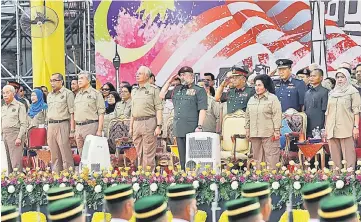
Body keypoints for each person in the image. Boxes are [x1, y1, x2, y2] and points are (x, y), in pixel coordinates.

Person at [159, 66, 207, 170]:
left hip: (192, 127)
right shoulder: (177, 89)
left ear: (192, 76)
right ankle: (184, 174)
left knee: (193, 156)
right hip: (179, 127)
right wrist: (169, 82)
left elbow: (202, 109)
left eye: (185, 75)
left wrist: (199, 126)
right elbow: (161, 95)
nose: (183, 77)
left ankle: (194, 176)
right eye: (181, 75)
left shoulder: (199, 90)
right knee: (182, 157)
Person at [325, 68, 361, 169]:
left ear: (347, 78)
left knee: (348, 154)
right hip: (332, 127)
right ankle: (336, 178)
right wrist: (326, 127)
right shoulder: (332, 93)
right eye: (337, 77)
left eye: (342, 77)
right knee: (334, 155)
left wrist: (355, 127)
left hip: (346, 127)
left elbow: (356, 111)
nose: (339, 79)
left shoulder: (353, 92)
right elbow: (328, 112)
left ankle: (349, 178)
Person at [245, 74, 282, 169]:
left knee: (271, 158)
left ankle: (272, 180)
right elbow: (247, 116)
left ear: (265, 86)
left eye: (259, 85)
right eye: (255, 85)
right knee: (257, 159)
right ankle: (260, 180)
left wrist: (277, 130)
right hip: (255, 134)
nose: (256, 88)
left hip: (269, 134)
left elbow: (277, 115)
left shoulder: (273, 98)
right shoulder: (251, 99)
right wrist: (247, 129)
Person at [130, 66, 163, 170]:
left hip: (149, 122)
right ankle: (141, 175)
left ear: (147, 76)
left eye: (140, 73)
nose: (137, 75)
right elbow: (132, 110)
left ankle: (148, 178)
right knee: (139, 152)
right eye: (137, 73)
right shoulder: (134, 90)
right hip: (136, 123)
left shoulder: (154, 90)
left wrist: (158, 126)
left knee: (148, 152)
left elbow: (158, 108)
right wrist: (131, 127)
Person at [47, 73, 75, 173]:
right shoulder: (49, 95)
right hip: (51, 125)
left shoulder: (68, 94)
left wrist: (72, 130)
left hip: (63, 124)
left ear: (61, 81)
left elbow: (72, 113)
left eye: (54, 80)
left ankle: (69, 176)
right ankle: (56, 176)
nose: (52, 83)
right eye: (51, 81)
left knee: (65, 152)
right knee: (54, 153)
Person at [74, 71, 105, 154]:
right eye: (78, 79)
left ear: (88, 80)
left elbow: (101, 113)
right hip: (78, 127)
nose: (79, 81)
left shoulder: (96, 94)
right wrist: (74, 130)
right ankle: (84, 167)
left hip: (90, 126)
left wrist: (99, 130)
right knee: (81, 153)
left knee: (92, 153)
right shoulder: (77, 95)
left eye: (81, 78)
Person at [1, 85, 27, 172]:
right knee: (7, 162)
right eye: (3, 93)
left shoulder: (19, 106)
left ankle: (18, 182)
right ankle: (10, 183)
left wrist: (19, 137)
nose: (5, 95)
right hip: (5, 135)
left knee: (15, 162)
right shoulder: (3, 107)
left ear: (13, 93)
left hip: (15, 134)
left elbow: (24, 124)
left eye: (7, 93)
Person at [304, 69, 329, 138]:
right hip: (307, 126)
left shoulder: (325, 92)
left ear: (321, 78)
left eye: (314, 76)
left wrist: (325, 127)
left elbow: (326, 111)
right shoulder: (307, 92)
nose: (311, 78)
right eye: (310, 76)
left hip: (319, 127)